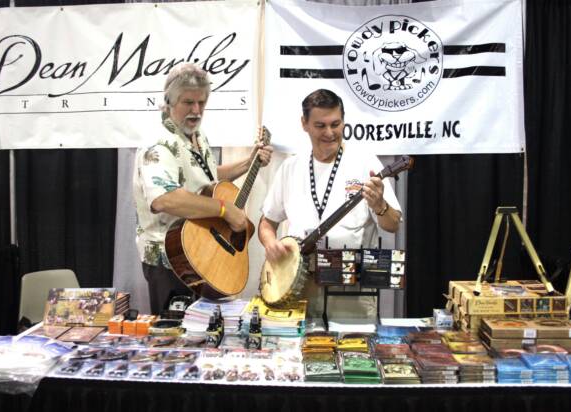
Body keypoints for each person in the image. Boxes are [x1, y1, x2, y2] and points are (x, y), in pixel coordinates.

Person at [133, 63, 273, 315]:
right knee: (173, 335)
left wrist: (248, 163)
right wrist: (224, 209)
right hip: (172, 260)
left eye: (201, 102)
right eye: (188, 102)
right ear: (169, 101)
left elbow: (204, 178)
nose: (196, 110)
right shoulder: (158, 144)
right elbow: (165, 199)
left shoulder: (196, 135)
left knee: (205, 332)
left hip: (203, 254)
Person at [258, 88, 402, 319]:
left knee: (355, 342)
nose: (329, 133)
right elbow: (267, 221)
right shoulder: (291, 167)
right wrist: (270, 243)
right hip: (298, 284)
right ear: (304, 124)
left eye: (336, 124)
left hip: (351, 289)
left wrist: (380, 206)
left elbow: (393, 224)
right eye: (320, 126)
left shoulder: (365, 162)